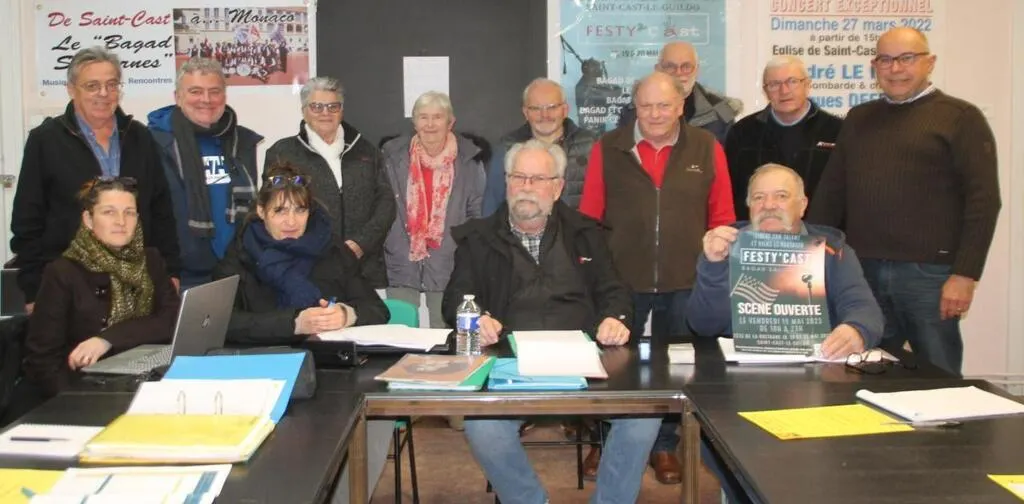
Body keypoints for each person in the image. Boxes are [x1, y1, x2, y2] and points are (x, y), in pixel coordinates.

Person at [443, 139, 658, 504]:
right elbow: (455, 299)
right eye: (519, 177)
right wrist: (477, 317)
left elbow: (616, 291)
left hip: (586, 358)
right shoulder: (477, 239)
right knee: (483, 426)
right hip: (509, 358)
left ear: (557, 188)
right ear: (507, 182)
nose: (527, 187)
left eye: (538, 179)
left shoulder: (588, 234)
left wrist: (615, 318)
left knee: (644, 418)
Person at [807, 27, 1001, 375]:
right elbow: (832, 193)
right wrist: (810, 258)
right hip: (862, 270)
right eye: (886, 59)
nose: (896, 68)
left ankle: (945, 430)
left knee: (938, 374)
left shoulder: (961, 118)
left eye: (907, 58)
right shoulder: (859, 118)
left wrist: (965, 274)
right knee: (865, 373)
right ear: (874, 65)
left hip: (930, 276)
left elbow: (984, 201)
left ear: (929, 62)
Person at [579, 71, 736, 482]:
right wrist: (593, 275)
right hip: (621, 280)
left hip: (687, 280)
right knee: (612, 365)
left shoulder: (707, 146)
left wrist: (717, 264)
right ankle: (605, 441)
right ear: (636, 106)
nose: (655, 114)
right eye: (646, 105)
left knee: (677, 369)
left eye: (664, 105)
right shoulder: (608, 147)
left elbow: (721, 215)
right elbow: (590, 218)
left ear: (681, 105)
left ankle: (664, 446)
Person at [10, 46, 179, 313]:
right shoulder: (45, 140)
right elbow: (27, 222)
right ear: (71, 89)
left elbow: (161, 211)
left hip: (138, 280)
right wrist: (33, 289)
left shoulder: (140, 137)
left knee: (138, 350)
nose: (103, 94)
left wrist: (170, 271)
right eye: (92, 86)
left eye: (111, 85)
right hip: (69, 283)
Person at [687, 163, 884, 352]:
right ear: (748, 205)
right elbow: (704, 326)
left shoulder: (833, 252)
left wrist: (857, 330)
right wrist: (713, 265)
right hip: (740, 366)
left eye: (781, 196)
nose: (769, 205)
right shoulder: (725, 247)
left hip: (815, 366)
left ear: (802, 205)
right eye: (758, 198)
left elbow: (864, 308)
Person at [20, 178, 180, 406]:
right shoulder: (62, 272)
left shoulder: (151, 260)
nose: (121, 222)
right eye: (109, 212)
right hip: (82, 393)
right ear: (88, 219)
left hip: (146, 384)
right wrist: (74, 403)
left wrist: (107, 339)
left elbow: (171, 320)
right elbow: (43, 360)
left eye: (129, 213)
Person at [212, 163, 388, 345]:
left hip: (327, 362)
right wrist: (294, 323)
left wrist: (346, 315)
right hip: (262, 362)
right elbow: (222, 322)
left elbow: (377, 309)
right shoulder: (239, 253)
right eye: (280, 211)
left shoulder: (333, 250)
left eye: (300, 210)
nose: (291, 221)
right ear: (261, 211)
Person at [264, 76, 396, 289]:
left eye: (333, 106)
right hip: (307, 270)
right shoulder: (282, 153)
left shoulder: (366, 150)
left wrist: (360, 244)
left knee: (369, 321)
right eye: (317, 107)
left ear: (341, 110)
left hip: (364, 268)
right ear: (304, 111)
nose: (325, 113)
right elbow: (275, 211)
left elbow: (386, 202)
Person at [148, 57, 263, 290]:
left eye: (214, 91)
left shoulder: (242, 142)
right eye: (195, 91)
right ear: (177, 96)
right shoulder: (153, 143)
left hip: (237, 268)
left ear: (224, 95)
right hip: (182, 275)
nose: (206, 100)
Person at [380, 91, 487, 330]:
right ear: (414, 121)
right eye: (423, 117)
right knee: (400, 336)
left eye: (437, 117)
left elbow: (477, 213)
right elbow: (381, 206)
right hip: (401, 259)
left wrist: (463, 251)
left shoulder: (469, 161)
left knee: (446, 338)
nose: (430, 124)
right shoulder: (391, 157)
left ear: (451, 122)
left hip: (449, 263)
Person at [724, 56, 843, 221]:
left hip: (820, 236)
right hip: (757, 237)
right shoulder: (742, 133)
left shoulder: (838, 131)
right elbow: (730, 192)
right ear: (765, 91)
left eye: (792, 81)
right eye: (774, 84)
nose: (784, 91)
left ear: (807, 85)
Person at [482, 78, 597, 215]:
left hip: (579, 234)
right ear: (525, 113)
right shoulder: (507, 148)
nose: (545, 115)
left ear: (565, 110)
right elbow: (492, 206)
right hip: (521, 235)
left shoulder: (591, 145)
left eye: (552, 107)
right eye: (536, 108)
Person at [617, 41, 741, 143]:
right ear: (658, 69)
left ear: (697, 70)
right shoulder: (634, 112)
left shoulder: (720, 113)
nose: (679, 73)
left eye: (686, 66)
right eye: (670, 66)